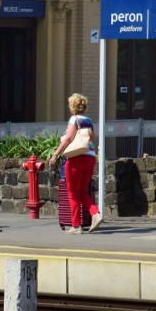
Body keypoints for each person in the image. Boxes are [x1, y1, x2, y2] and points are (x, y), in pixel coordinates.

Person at [49, 93, 104, 234]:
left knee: (73, 192)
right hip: (90, 157)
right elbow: (92, 138)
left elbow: (68, 138)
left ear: (73, 106)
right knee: (82, 191)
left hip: (76, 159)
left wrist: (55, 155)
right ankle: (95, 214)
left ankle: (76, 226)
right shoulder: (89, 120)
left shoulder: (74, 119)